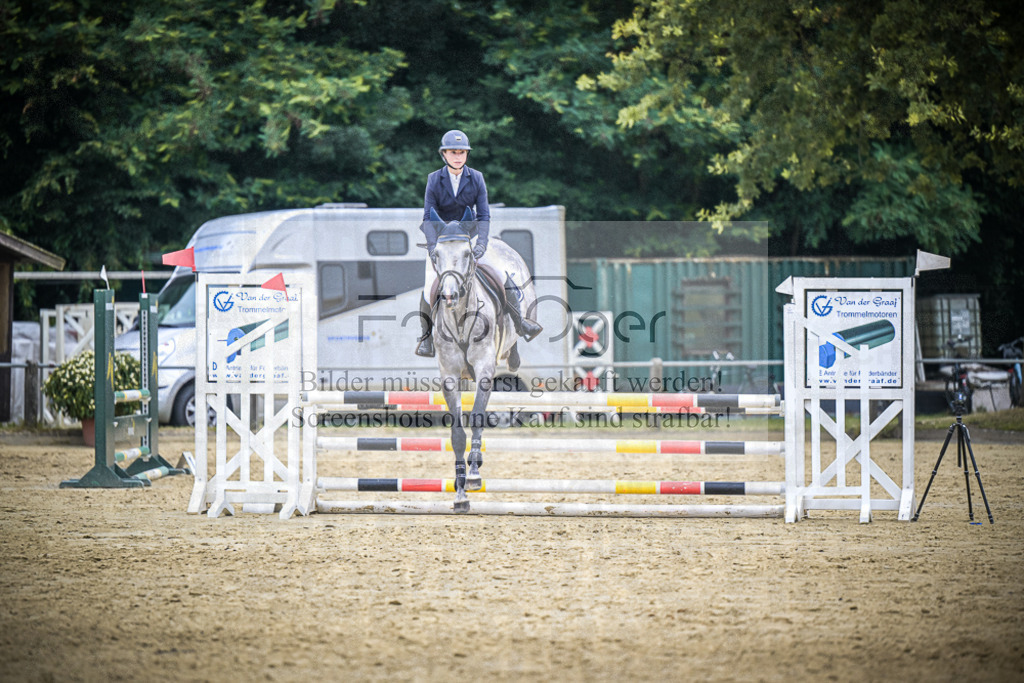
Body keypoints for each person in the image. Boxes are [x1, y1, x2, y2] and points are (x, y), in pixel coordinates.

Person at [415, 129, 542, 357]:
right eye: (453, 152)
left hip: (469, 237)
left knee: (500, 274)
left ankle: (520, 323)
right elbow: (427, 216)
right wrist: (432, 247)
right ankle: (426, 338)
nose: (458, 157)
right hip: (443, 242)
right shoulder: (434, 179)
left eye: (462, 152)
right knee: (428, 288)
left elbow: (483, 215)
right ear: (444, 154)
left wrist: (482, 243)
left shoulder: (476, 178)